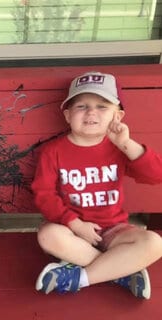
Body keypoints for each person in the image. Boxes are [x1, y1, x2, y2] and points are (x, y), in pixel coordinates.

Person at [32, 71, 162, 299]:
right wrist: (75, 224)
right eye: (81, 106)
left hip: (114, 231)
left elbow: (156, 175)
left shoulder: (119, 149)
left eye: (103, 106)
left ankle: (81, 278)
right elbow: (44, 195)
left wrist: (126, 144)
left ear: (118, 116)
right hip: (73, 232)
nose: (92, 112)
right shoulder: (53, 152)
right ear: (67, 115)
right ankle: (120, 271)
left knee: (155, 243)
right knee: (47, 235)